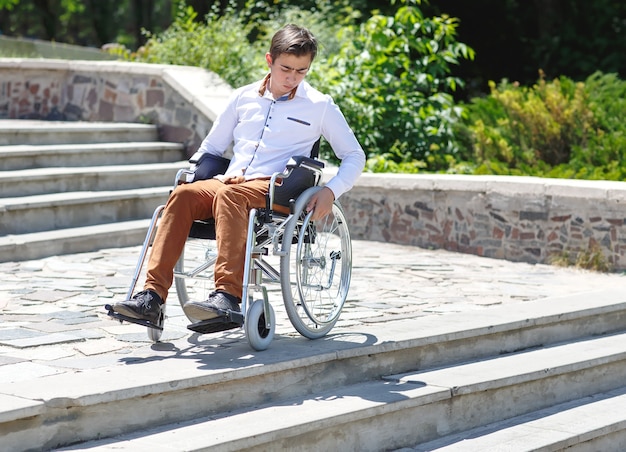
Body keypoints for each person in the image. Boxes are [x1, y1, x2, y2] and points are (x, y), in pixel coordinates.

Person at [111, 24, 365, 327]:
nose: (292, 78)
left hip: (275, 190)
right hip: (228, 183)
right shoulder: (243, 97)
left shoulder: (319, 105)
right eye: (286, 69)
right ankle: (151, 298)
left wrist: (331, 190)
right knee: (182, 195)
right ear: (269, 60)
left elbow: (354, 155)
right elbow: (212, 147)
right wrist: (197, 176)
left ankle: (227, 297)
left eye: (301, 71)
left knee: (230, 195)